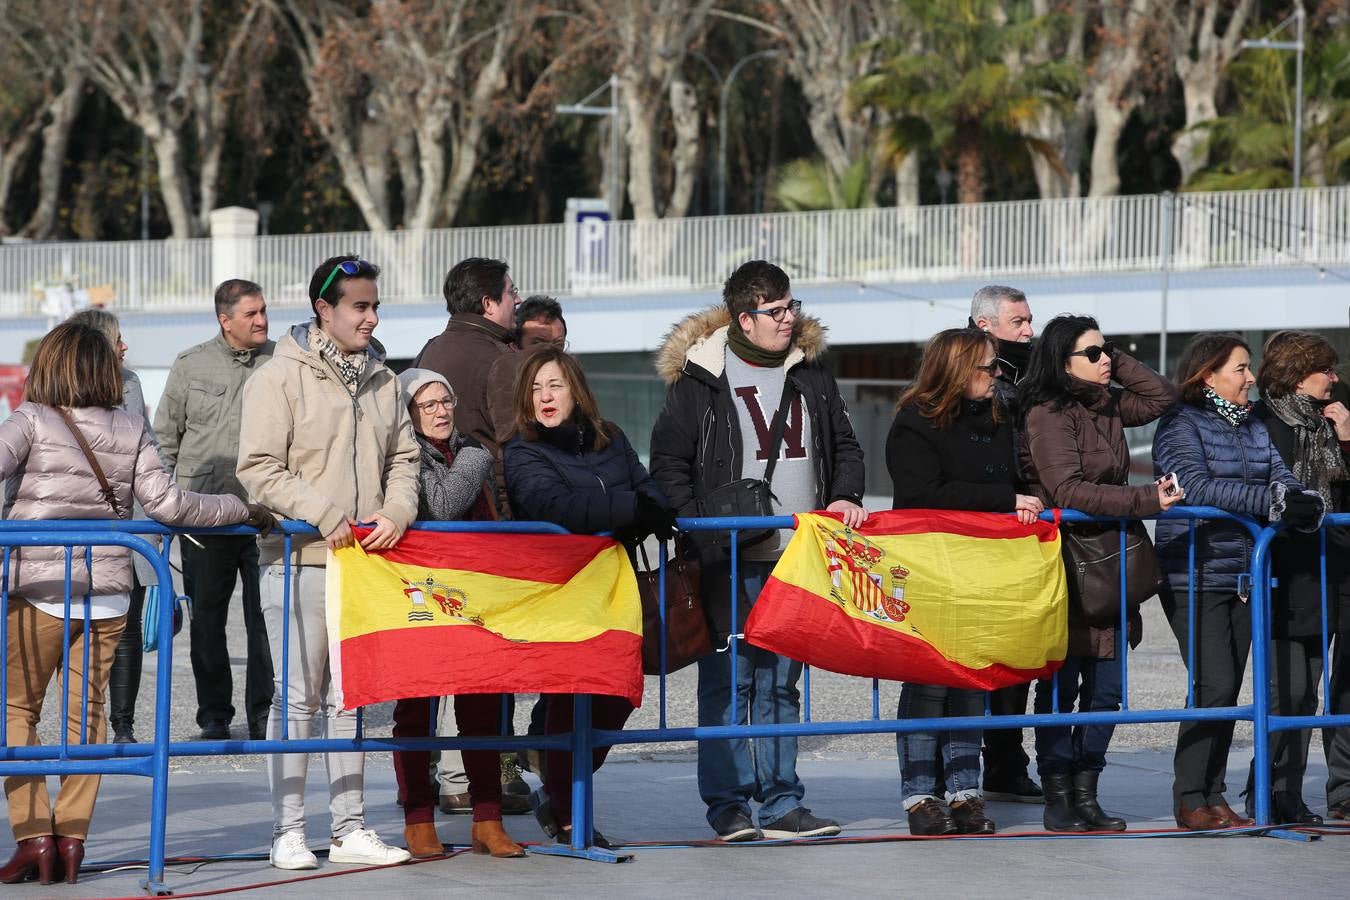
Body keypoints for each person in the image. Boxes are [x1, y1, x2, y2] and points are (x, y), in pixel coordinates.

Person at [0, 323, 268, 886]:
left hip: (39, 591)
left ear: (50, 366)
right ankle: (72, 839)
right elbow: (170, 504)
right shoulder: (130, 427)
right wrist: (239, 508)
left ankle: (34, 838)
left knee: (16, 711)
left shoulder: (29, 421)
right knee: (87, 716)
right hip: (108, 590)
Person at [650, 260, 866, 842]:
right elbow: (668, 463)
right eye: (775, 311)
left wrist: (846, 495)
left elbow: (844, 445)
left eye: (791, 306)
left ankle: (781, 803)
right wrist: (698, 530)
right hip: (727, 558)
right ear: (744, 318)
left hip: (796, 556)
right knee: (727, 682)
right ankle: (728, 805)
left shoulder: (812, 373)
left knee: (780, 684)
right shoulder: (699, 378)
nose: (788, 319)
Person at [237, 255, 418, 870]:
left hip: (365, 567)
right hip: (299, 560)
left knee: (352, 698)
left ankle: (350, 828)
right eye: (359, 306)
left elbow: (405, 458)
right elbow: (258, 467)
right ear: (324, 309)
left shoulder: (385, 380)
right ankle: (287, 830)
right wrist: (321, 511)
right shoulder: (278, 377)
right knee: (296, 701)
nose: (371, 317)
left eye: (374, 305)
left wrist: (397, 509)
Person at [503, 349, 676, 848]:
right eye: (535, 389)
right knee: (570, 697)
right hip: (561, 589)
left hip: (614, 586)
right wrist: (630, 509)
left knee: (617, 694)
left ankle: (560, 778)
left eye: (554, 385)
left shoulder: (610, 436)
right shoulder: (523, 448)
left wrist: (645, 506)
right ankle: (566, 809)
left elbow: (650, 491)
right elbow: (552, 505)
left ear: (575, 388)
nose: (545, 397)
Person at [1151, 332, 1321, 830]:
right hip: (1194, 571)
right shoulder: (1181, 423)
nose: (1251, 378)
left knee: (1229, 690)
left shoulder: (1250, 425)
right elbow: (1195, 486)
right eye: (1241, 368)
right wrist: (1270, 504)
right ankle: (1189, 796)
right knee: (1214, 684)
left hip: (1245, 572)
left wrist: (1300, 500)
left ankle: (1214, 792)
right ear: (1209, 375)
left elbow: (1277, 475)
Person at [1019, 314, 1181, 832]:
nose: (1106, 359)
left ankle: (1088, 791)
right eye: (1092, 354)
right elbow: (1065, 489)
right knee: (1061, 687)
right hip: (1067, 564)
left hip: (1113, 562)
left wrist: (1108, 355)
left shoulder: (1107, 402)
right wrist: (1145, 500)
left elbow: (1161, 397)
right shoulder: (1048, 410)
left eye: (1106, 349)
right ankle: (1058, 793)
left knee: (1107, 691)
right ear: (1061, 363)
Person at [886, 328, 1046, 836]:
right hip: (932, 566)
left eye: (997, 367)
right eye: (987, 367)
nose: (997, 375)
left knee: (971, 681)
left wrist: (1021, 500)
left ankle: (965, 792)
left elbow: (1017, 479)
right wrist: (1003, 500)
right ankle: (920, 796)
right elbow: (924, 490)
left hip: (982, 568)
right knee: (929, 682)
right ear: (956, 370)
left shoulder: (1000, 415)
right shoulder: (915, 421)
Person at [389, 368, 525, 859]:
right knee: (415, 710)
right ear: (407, 414)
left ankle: (488, 819)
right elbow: (442, 506)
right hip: (419, 595)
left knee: (482, 709)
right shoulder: (406, 456)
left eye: (446, 401)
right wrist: (476, 459)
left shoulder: (467, 450)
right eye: (428, 405)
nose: (442, 412)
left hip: (474, 592)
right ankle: (418, 820)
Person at [412, 257, 531, 811]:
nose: (516, 301)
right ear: (488, 302)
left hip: (424, 536)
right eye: (510, 293)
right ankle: (469, 782)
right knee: (480, 663)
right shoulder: (503, 359)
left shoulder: (430, 352)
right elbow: (515, 448)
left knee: (433, 662)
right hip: (484, 530)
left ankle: (439, 777)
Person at [153, 279, 276, 742]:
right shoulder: (190, 365)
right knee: (207, 619)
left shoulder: (282, 361)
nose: (262, 320)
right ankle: (214, 716)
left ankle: (264, 715)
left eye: (263, 310)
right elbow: (165, 437)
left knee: (265, 618)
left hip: (266, 515)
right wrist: (168, 501)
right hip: (203, 517)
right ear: (225, 321)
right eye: (251, 314)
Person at [1248, 331, 1350, 825]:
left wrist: (1347, 439)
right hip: (1290, 571)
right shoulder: (1265, 423)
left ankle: (1341, 790)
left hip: (1337, 566)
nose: (1335, 378)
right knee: (1293, 688)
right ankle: (1273, 790)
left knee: (1339, 688)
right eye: (1326, 369)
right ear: (1297, 373)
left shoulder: (1332, 424)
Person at [967, 284, 1042, 803]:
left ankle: (1007, 762)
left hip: (1025, 531)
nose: (1029, 331)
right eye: (1018, 322)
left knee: (1017, 659)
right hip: (976, 538)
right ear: (984, 326)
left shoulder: (1038, 372)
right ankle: (952, 774)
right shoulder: (966, 380)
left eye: (1030, 320)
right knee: (970, 660)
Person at [65, 308, 153, 745]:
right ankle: (79, 726)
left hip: (128, 530)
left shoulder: (132, 383)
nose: (125, 347)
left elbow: (150, 452)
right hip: (71, 535)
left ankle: (122, 725)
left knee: (126, 626)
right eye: (117, 339)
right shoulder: (49, 395)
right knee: (71, 630)